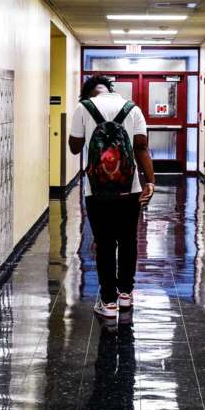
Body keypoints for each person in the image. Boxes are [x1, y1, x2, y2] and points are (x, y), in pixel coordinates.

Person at [69, 75, 155, 318]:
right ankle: (125, 294)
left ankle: (108, 302)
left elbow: (74, 147)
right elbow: (141, 147)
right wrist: (150, 181)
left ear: (88, 94)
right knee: (128, 241)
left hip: (96, 191)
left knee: (104, 243)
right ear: (110, 90)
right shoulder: (133, 109)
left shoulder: (83, 107)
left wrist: (87, 129)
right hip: (131, 189)